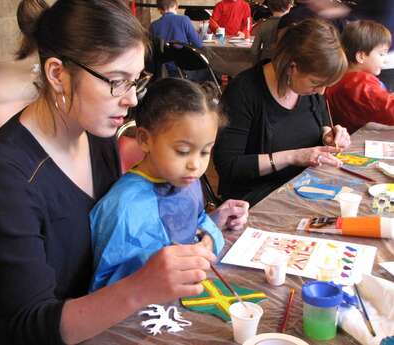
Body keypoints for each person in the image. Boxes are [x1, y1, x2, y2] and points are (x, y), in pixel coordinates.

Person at [0, 1, 249, 344]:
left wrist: (203, 227)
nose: (130, 100)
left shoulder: (95, 134)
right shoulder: (7, 173)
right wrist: (141, 286)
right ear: (57, 74)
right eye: (116, 81)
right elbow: (30, 324)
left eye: (136, 81)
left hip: (101, 319)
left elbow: (115, 236)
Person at [89, 78, 228, 291]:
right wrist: (152, 268)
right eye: (182, 151)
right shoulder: (123, 208)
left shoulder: (188, 182)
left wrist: (208, 238)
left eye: (205, 151)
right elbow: (105, 288)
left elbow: (197, 219)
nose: (195, 165)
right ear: (144, 140)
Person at [213, 19, 351, 207]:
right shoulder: (243, 92)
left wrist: (328, 136)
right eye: (315, 83)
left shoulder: (308, 91)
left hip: (303, 185)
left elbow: (321, 123)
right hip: (256, 197)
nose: (321, 92)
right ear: (292, 67)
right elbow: (229, 166)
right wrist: (293, 157)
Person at [326, 20, 394, 134]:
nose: (385, 59)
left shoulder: (340, 76)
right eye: (381, 54)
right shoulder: (359, 82)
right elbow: (390, 110)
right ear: (361, 56)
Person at [149, 0, 203, 78]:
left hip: (162, 70)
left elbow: (152, 50)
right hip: (184, 67)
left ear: (159, 9)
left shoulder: (153, 25)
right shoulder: (184, 20)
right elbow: (198, 44)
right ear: (176, 7)